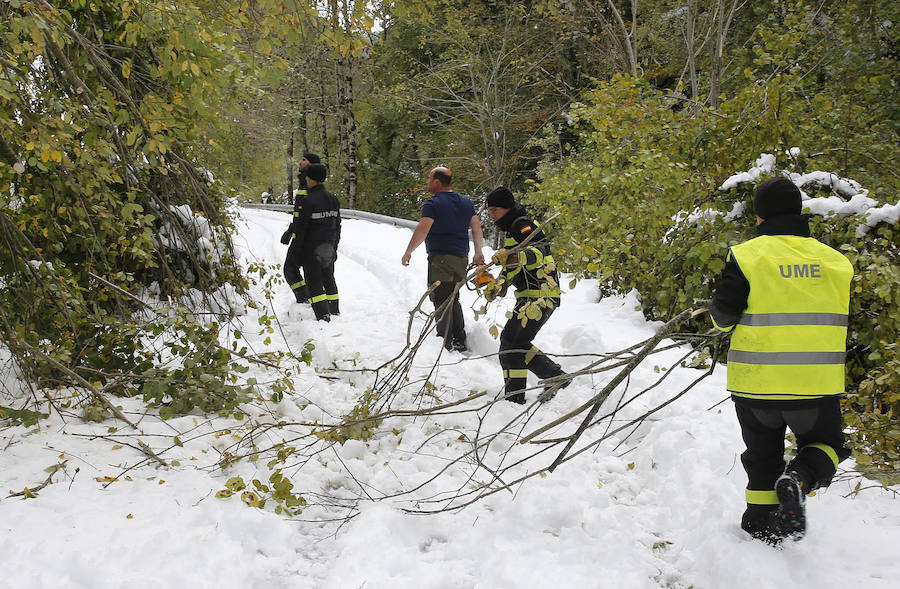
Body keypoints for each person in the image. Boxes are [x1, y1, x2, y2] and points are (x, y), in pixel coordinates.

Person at [710, 177, 854, 545]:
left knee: (762, 458)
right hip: (815, 386)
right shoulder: (836, 262)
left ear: (759, 217)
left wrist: (716, 314)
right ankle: (800, 480)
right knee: (828, 447)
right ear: (799, 211)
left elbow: (724, 316)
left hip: (755, 384)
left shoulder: (746, 256)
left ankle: (759, 528)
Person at [483, 187, 569, 404]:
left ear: (506, 208)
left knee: (512, 344)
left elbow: (539, 252)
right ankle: (553, 377)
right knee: (514, 343)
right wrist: (499, 285)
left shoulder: (522, 224)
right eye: (489, 211)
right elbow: (512, 265)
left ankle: (518, 396)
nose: (492, 216)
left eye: (494, 210)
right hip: (530, 297)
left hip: (541, 296)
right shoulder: (512, 229)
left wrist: (511, 258)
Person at [402, 166, 485, 352]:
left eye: (430, 179)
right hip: (461, 258)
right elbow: (477, 228)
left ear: (437, 182)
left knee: (441, 297)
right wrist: (478, 251)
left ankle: (445, 341)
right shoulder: (465, 202)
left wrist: (408, 251)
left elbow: (423, 229)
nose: (428, 183)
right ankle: (459, 339)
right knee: (453, 297)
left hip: (441, 259)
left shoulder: (432, 204)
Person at [293, 162, 341, 321]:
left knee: (314, 281)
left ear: (312, 179)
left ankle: (322, 315)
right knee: (328, 276)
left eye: (308, 176)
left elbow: (301, 229)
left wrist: (297, 252)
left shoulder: (308, 201)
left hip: (312, 247)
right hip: (329, 244)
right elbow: (338, 225)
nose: (305, 178)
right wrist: (335, 246)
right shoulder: (333, 199)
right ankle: (334, 310)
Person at [281, 153, 321, 303]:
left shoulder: (310, 184)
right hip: (301, 234)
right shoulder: (303, 182)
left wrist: (293, 232)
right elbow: (300, 213)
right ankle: (306, 299)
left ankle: (304, 299)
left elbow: (305, 214)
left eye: (304, 160)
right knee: (295, 269)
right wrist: (291, 230)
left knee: (291, 269)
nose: (300, 162)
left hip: (306, 237)